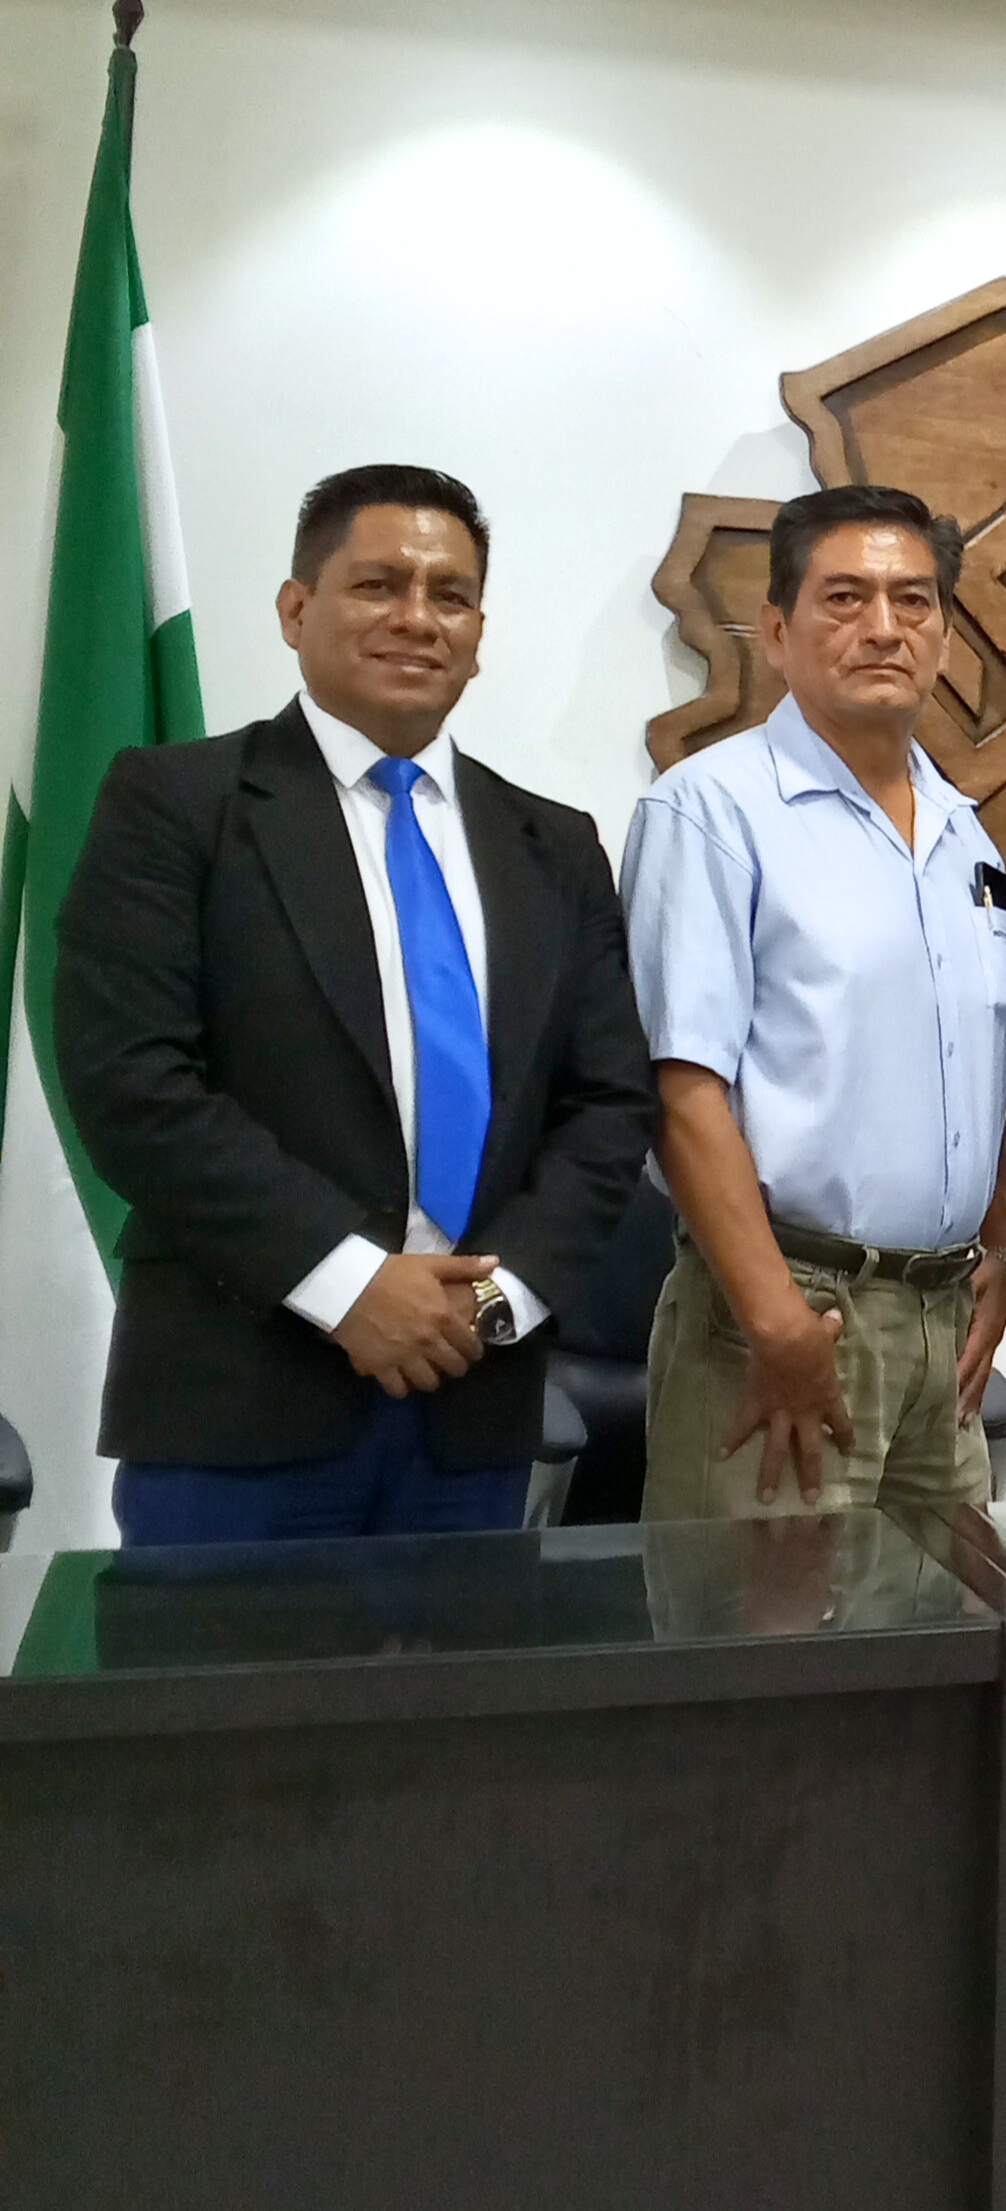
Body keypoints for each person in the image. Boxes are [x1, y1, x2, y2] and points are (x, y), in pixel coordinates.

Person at [56, 464, 656, 1543]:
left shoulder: (555, 845)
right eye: (379, 584)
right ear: (297, 610)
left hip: (475, 1407)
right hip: (239, 1409)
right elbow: (132, 1085)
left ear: (479, 634)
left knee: (461, 1667)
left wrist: (493, 1302)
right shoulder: (177, 806)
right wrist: (348, 1284)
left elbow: (609, 1105)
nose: (417, 617)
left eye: (450, 595)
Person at [621, 484, 1006, 1521]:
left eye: (914, 600)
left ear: (945, 633)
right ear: (777, 630)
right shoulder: (712, 811)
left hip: (944, 1323)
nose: (884, 627)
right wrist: (776, 1321)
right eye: (845, 598)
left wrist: (1001, 1243)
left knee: (946, 1618)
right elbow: (680, 1090)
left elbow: (977, 1065)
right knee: (772, 1621)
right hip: (788, 1313)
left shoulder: (965, 832)